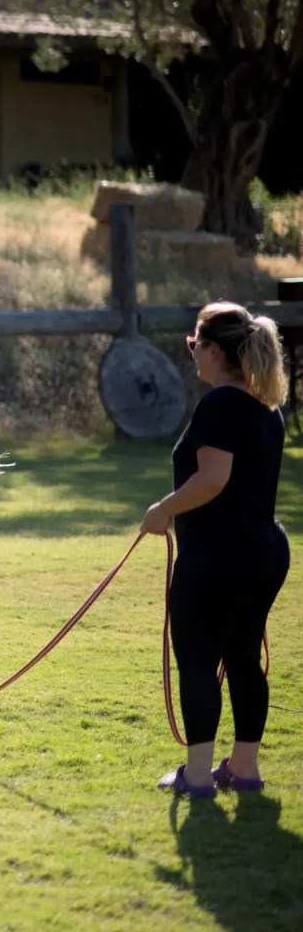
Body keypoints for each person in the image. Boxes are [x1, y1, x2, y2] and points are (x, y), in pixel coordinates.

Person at [141, 302, 289, 798]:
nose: (192, 356)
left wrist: (164, 509)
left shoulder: (222, 404)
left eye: (195, 346)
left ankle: (198, 776)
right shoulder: (265, 407)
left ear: (214, 349)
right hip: (263, 551)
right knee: (243, 657)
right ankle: (243, 768)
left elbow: (213, 480)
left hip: (218, 557)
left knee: (200, 660)